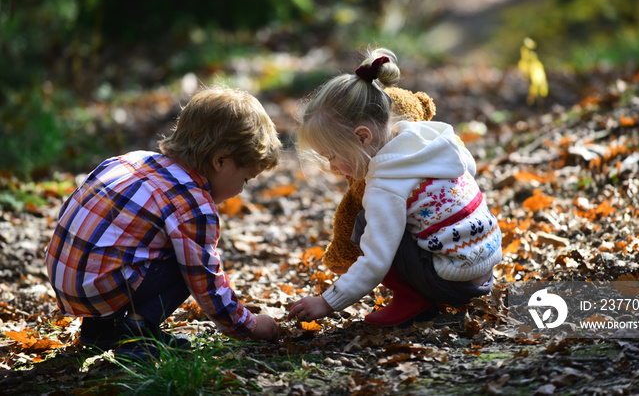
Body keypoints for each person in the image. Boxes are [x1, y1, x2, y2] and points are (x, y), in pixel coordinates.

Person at [45, 87, 282, 356]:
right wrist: (248, 326)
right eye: (245, 179)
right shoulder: (193, 204)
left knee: (135, 242)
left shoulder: (132, 160)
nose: (241, 190)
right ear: (220, 161)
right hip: (102, 287)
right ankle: (136, 333)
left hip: (65, 278)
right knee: (190, 261)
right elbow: (205, 281)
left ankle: (99, 330)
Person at [288, 48, 502, 327]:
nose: (332, 167)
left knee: (366, 221)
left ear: (362, 137)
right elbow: (469, 168)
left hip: (453, 284)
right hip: (486, 270)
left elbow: (376, 261)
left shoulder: (385, 186)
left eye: (332, 155)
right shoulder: (429, 136)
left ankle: (413, 300)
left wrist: (327, 302)